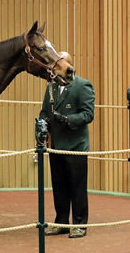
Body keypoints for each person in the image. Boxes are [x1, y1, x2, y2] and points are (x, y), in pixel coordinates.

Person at [39, 51, 95, 239]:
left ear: (70, 65)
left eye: (61, 63)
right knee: (59, 186)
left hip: (75, 147)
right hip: (56, 145)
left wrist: (67, 119)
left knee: (77, 187)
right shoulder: (52, 87)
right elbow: (45, 111)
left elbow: (88, 114)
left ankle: (80, 224)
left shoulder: (82, 85)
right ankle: (61, 222)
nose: (57, 68)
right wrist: (42, 124)